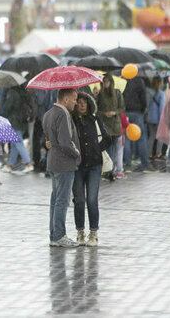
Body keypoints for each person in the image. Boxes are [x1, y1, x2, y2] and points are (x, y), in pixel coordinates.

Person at [71, 92, 111, 247]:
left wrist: (96, 149)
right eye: (79, 102)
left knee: (92, 200)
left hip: (94, 165)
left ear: (88, 104)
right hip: (78, 166)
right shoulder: (72, 121)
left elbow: (108, 139)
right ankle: (80, 232)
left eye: (84, 102)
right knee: (79, 200)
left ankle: (94, 233)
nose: (82, 105)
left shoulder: (95, 120)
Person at [43, 88, 81, 247]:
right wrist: (77, 153)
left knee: (55, 199)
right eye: (74, 99)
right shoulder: (62, 114)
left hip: (53, 161)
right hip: (64, 163)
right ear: (65, 100)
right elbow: (65, 141)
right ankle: (59, 235)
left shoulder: (48, 114)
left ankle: (54, 235)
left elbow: (49, 140)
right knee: (62, 200)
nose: (76, 102)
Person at [96, 73, 125, 179]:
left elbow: (122, 107)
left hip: (116, 124)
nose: (105, 84)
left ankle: (119, 170)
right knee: (108, 149)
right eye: (104, 81)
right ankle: (109, 170)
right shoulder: (99, 94)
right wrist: (104, 113)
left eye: (107, 81)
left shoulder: (117, 93)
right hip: (105, 125)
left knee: (118, 149)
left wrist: (115, 112)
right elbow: (95, 109)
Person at [3, 83, 35, 172]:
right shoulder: (24, 92)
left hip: (14, 121)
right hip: (23, 120)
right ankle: (9, 165)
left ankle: (28, 163)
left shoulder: (12, 92)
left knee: (18, 142)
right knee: (14, 145)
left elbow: (7, 107)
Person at [123, 75, 152, 172]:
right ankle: (145, 164)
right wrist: (143, 109)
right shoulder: (139, 81)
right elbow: (143, 98)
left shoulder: (122, 80)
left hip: (125, 112)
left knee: (126, 138)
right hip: (137, 112)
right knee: (141, 138)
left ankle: (127, 164)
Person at [147, 76, 166, 160]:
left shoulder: (149, 92)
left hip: (150, 118)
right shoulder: (161, 93)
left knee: (152, 136)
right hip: (158, 118)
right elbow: (161, 107)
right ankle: (158, 154)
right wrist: (162, 119)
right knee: (160, 136)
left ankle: (149, 154)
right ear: (159, 83)